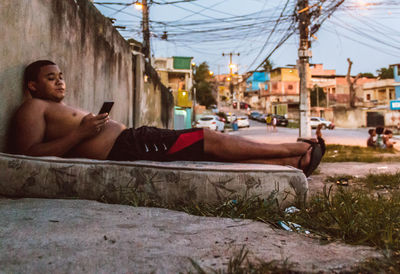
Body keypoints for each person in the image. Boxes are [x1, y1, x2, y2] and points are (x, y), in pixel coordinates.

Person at [10, 60, 325, 177]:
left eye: (61, 76)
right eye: (51, 78)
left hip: (134, 140)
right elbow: (25, 155)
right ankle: (296, 149)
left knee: (206, 149)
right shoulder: (32, 108)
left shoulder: (51, 107)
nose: (60, 82)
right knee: (206, 140)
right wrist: (82, 134)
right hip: (128, 148)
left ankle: (291, 164)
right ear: (33, 85)